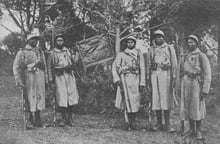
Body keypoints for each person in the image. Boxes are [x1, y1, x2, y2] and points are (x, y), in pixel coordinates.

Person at [13, 33, 47, 129]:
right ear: (28, 41)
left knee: (39, 97)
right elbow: (16, 67)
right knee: (30, 98)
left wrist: (47, 79)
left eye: (36, 40)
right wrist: (18, 80)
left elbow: (44, 66)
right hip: (29, 77)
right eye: (33, 39)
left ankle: (38, 119)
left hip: (39, 77)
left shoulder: (40, 51)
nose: (35, 41)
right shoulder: (22, 52)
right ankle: (30, 120)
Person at [180, 35, 211, 139]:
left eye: (192, 42)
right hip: (186, 82)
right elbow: (181, 70)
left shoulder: (201, 55)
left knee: (197, 107)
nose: (190, 44)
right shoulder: (185, 55)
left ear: (196, 43)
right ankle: (191, 129)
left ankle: (198, 130)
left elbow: (207, 73)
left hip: (196, 83)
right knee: (188, 106)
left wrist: (205, 89)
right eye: (188, 42)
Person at [146, 30, 177, 132]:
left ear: (164, 38)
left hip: (166, 75)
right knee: (157, 99)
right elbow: (148, 65)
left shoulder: (169, 48)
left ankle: (167, 123)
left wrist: (174, 77)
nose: (158, 39)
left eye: (160, 37)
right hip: (155, 75)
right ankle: (159, 123)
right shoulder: (151, 49)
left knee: (166, 99)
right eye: (156, 37)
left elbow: (174, 63)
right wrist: (148, 79)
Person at [112, 36, 145, 131]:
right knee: (125, 100)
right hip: (125, 80)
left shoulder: (139, 54)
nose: (130, 44)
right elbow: (114, 67)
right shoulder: (121, 54)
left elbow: (142, 68)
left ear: (135, 43)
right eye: (128, 42)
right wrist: (117, 79)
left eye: (132, 42)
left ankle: (133, 122)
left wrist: (142, 82)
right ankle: (127, 122)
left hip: (135, 80)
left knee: (135, 101)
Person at [47, 34, 79, 127]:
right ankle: (63, 117)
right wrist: (51, 80)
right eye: (58, 41)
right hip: (59, 77)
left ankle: (70, 117)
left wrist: (76, 52)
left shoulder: (68, 50)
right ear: (55, 42)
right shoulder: (52, 53)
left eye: (61, 40)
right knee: (62, 97)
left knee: (71, 96)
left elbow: (75, 61)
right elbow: (49, 67)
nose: (60, 42)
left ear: (63, 41)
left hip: (69, 76)